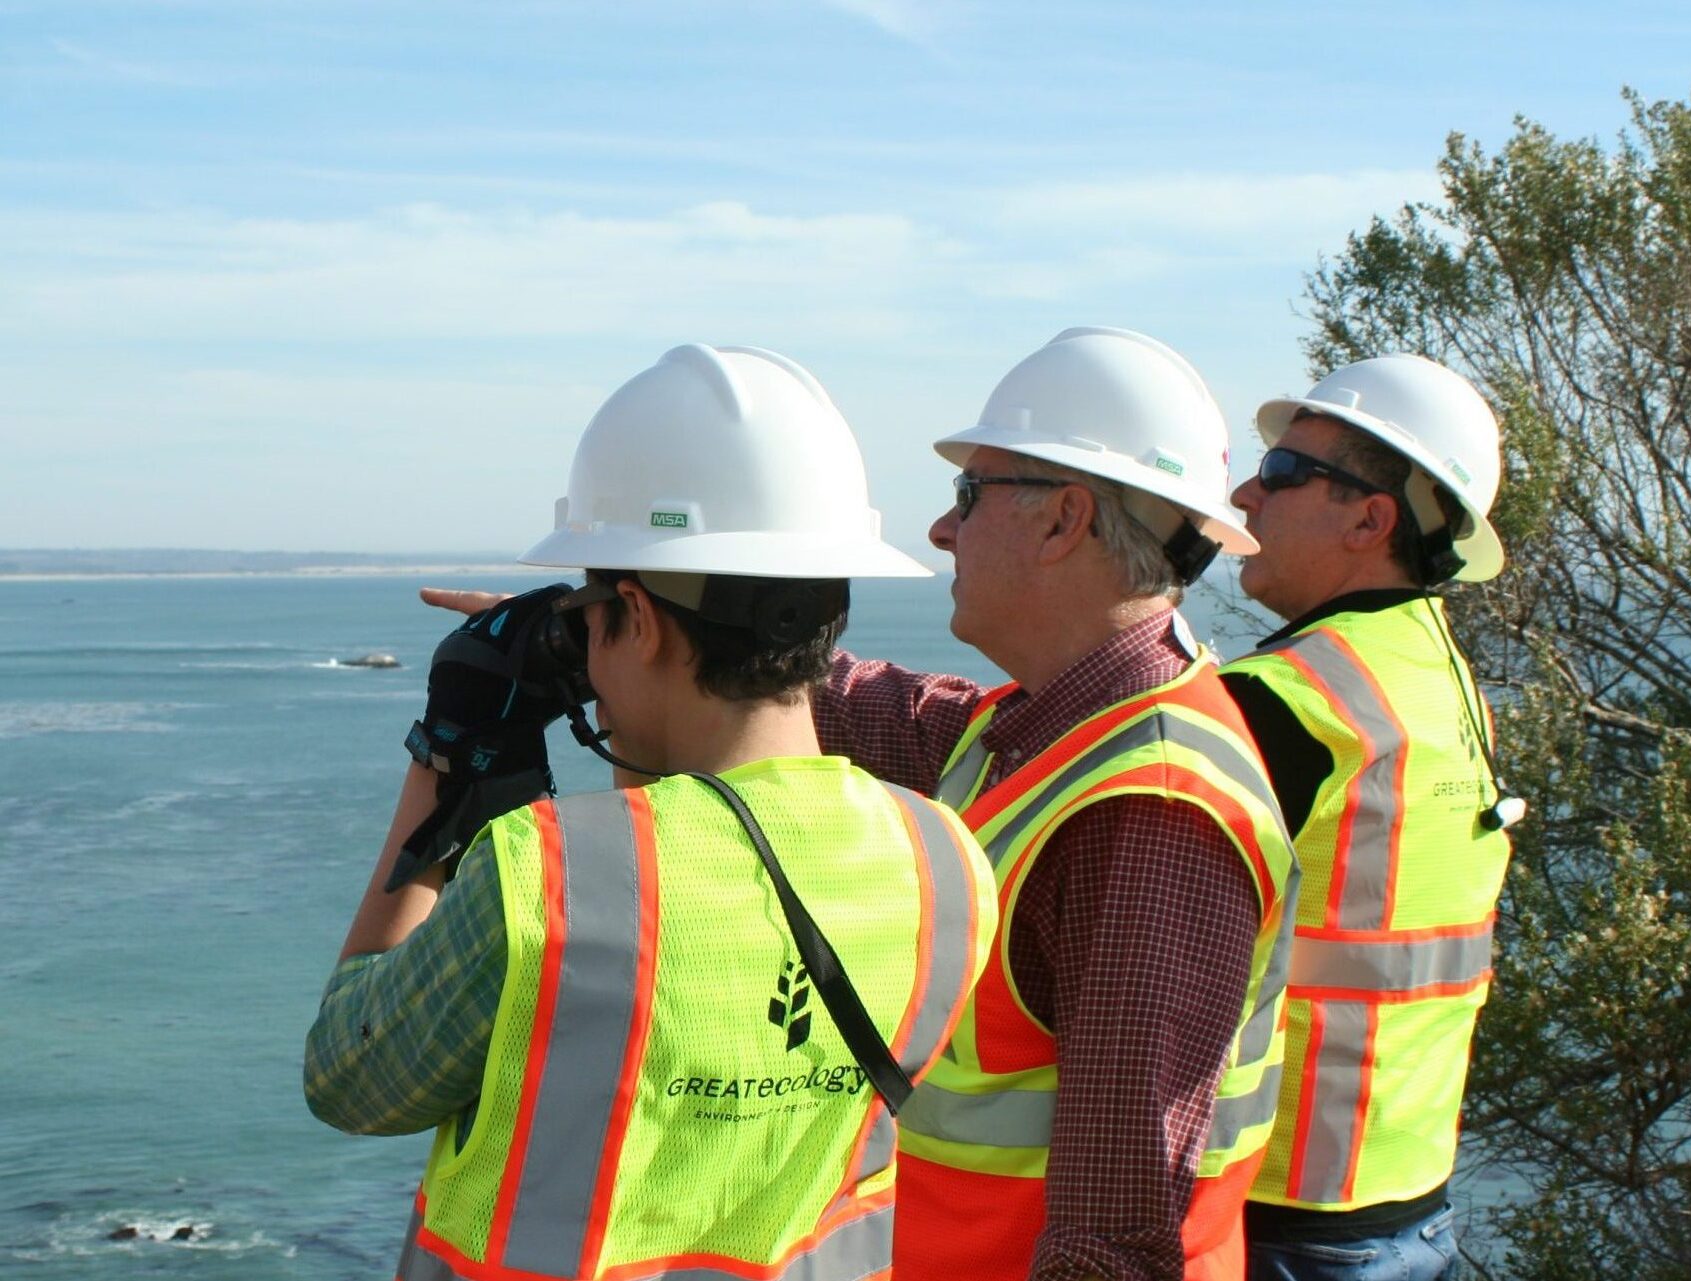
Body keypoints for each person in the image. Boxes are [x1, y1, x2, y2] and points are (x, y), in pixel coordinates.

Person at [304, 343, 997, 1281]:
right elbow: (695, 848)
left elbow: (351, 1076)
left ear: (639, 614)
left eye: (593, 611)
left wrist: (452, 755)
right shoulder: (944, 861)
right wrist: (624, 664)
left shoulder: (547, 878)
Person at [811, 327, 1300, 1281]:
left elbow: (1112, 1248)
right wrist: (624, 622)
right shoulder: (1048, 730)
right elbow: (865, 704)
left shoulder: (1148, 814)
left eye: (969, 494)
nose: (943, 530)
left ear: (1061, 519)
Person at [1221, 354, 1517, 1281]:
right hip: (1409, 1206)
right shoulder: (1442, 677)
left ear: (1369, 518)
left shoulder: (1287, 698)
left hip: (1284, 1217)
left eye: (1280, 471)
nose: (1243, 493)